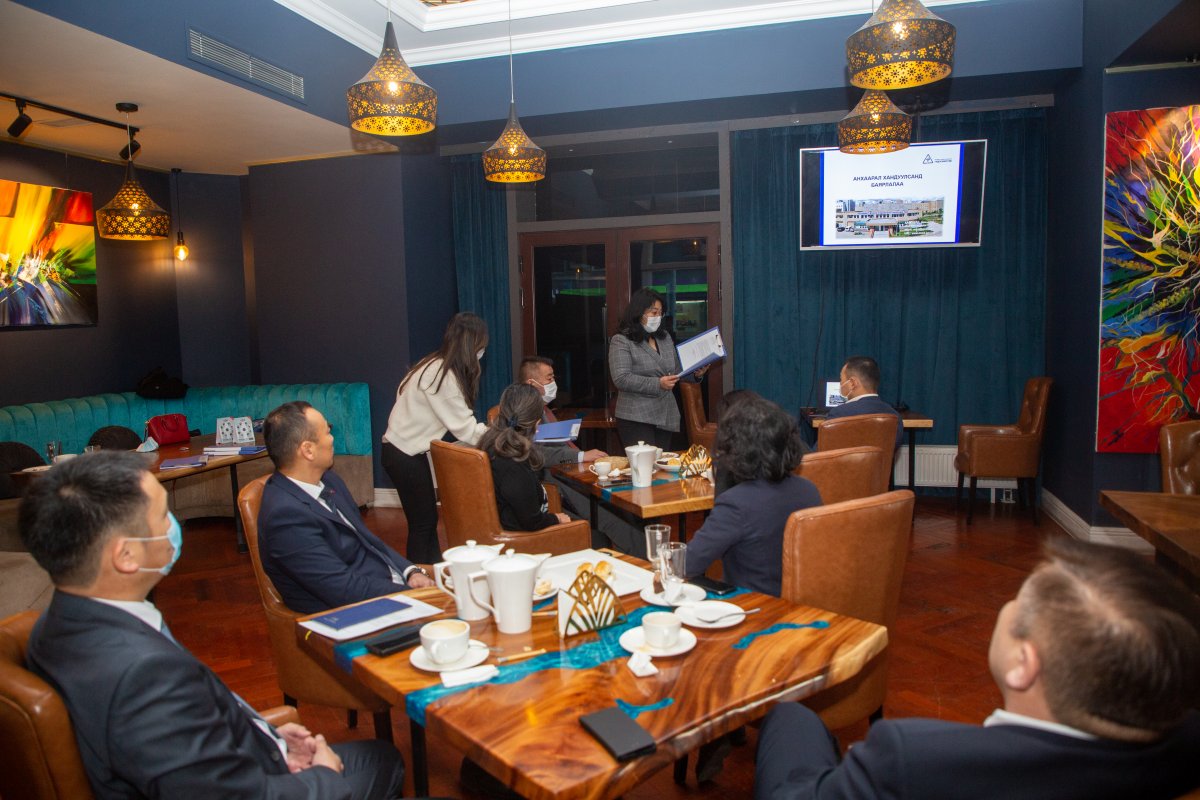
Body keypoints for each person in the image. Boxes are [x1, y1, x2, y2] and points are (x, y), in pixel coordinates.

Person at [20, 451, 406, 800]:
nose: (174, 526)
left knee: (381, 758)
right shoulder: (145, 675)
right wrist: (324, 775)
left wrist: (264, 734)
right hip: (255, 785)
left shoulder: (55, 624)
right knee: (383, 766)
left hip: (241, 754)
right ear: (126, 555)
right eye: (162, 516)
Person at [754, 537, 1200, 800]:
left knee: (791, 717)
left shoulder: (908, 758)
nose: (1008, 604)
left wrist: (784, 711)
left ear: (1023, 665)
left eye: (1018, 599)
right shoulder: (1180, 747)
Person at [258, 401, 433, 615]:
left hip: (388, 587)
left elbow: (366, 538)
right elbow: (344, 590)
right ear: (308, 450)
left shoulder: (328, 480)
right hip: (354, 613)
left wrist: (410, 571)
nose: (332, 439)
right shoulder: (285, 517)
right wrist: (417, 596)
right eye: (327, 432)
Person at [685, 392, 822, 596]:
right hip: (802, 603)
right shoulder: (809, 490)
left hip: (753, 605)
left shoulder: (736, 503)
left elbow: (688, 564)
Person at [382, 312, 489, 563]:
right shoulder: (442, 375)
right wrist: (501, 437)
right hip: (404, 455)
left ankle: (433, 571)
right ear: (471, 343)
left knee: (426, 522)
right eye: (481, 344)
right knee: (423, 524)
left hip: (403, 452)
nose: (482, 351)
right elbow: (466, 429)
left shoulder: (432, 365)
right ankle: (420, 577)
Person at [608, 288, 707, 450]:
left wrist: (696, 374)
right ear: (639, 312)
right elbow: (621, 378)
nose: (658, 317)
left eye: (661, 313)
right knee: (644, 464)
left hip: (665, 414)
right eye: (654, 312)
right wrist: (658, 384)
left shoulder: (664, 337)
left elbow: (675, 370)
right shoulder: (621, 340)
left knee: (662, 463)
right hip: (636, 416)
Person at [479, 383, 573, 532]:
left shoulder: (492, 443)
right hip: (522, 537)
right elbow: (532, 522)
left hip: (505, 526)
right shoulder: (514, 463)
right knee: (598, 538)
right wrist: (557, 519)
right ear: (537, 423)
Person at [519, 355, 607, 467]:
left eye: (553, 378)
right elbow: (535, 453)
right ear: (532, 384)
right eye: (549, 379)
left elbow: (559, 443)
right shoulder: (524, 413)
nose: (553, 383)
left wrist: (582, 455)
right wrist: (580, 456)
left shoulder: (544, 409)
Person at [825, 355, 904, 451]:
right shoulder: (895, 416)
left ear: (852, 383)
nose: (840, 384)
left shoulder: (839, 413)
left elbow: (820, 452)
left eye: (841, 380)